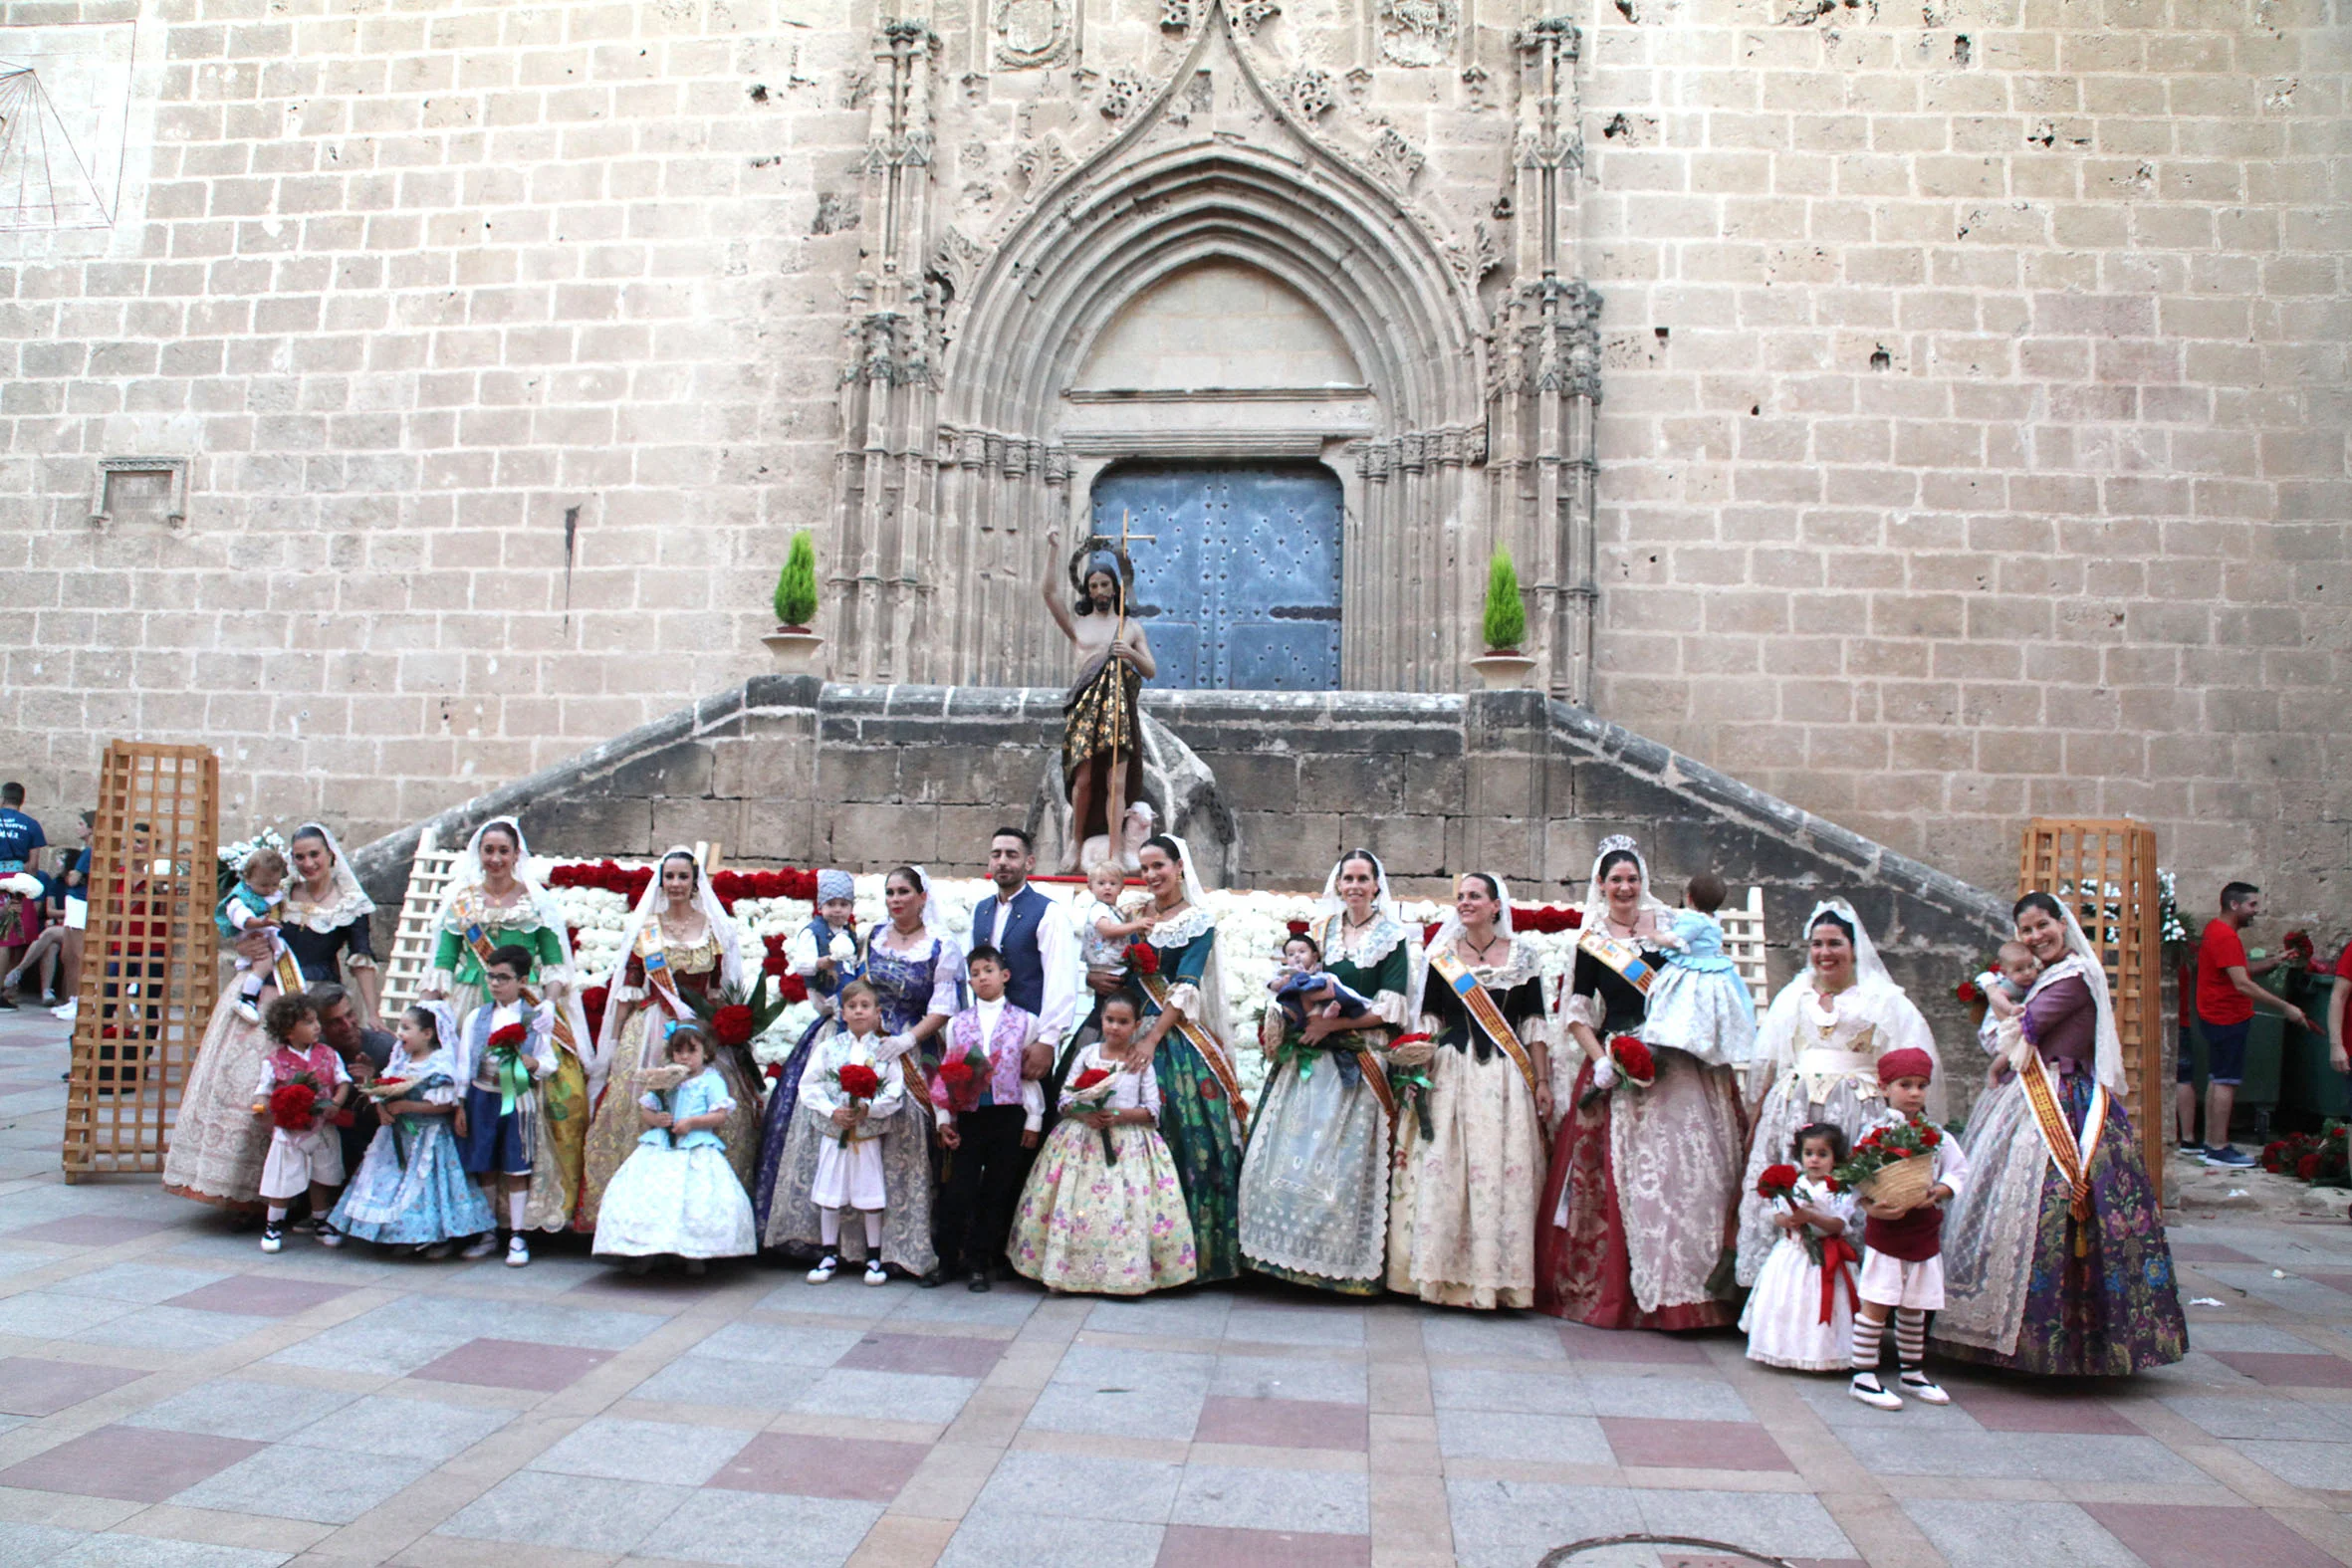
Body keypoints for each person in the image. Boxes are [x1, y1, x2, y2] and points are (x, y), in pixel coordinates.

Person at [1934, 892, 2188, 1376]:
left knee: (2060, 1212)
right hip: (2029, 1096)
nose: (2036, 937)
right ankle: (1996, 1333)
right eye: (2026, 931)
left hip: (2067, 1101)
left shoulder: (2072, 978)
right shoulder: (2044, 976)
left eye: (2042, 925)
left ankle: (2069, 1345)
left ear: (2062, 924)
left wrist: (1992, 991)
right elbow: (2001, 1039)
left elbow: (2021, 1028)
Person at [1535, 836, 1747, 1330]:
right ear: (1601, 887)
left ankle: (1694, 1294)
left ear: (1642, 882)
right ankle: (1629, 1294)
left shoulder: (1674, 929)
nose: (1625, 887)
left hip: (1679, 1063)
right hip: (1621, 1066)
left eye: (1632, 879)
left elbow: (1706, 985)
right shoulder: (1591, 943)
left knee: (1690, 1181)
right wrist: (1603, 1060)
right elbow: (1578, 1014)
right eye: (1616, 881)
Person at [760, 866, 954, 1278]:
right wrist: (829, 1003)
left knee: (901, 1139)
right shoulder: (873, 936)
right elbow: (850, 984)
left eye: (904, 892)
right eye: (890, 892)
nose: (896, 899)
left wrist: (907, 1041)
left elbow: (942, 1006)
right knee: (836, 1132)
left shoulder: (941, 944)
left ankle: (895, 1247)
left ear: (922, 896)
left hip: (907, 1045)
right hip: (858, 1035)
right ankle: (839, 1245)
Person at [1735, 901, 1942, 1286]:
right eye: (1817, 944)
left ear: (1853, 947)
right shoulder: (1793, 996)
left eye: (1834, 944)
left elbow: (1910, 1060)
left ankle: (1855, 1289)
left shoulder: (1881, 999)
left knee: (1849, 1192)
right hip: (1796, 1107)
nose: (1824, 953)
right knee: (1795, 1187)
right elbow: (1769, 1060)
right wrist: (1757, 1112)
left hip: (1856, 1107)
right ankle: (1786, 1288)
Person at [1239, 849, 1416, 1294]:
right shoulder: (1321, 932)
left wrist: (1333, 1023)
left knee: (1339, 1162)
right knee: (1289, 1147)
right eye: (1347, 879)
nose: (1354, 886)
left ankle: (1334, 1266)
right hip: (1310, 1055)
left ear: (1377, 884)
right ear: (1337, 886)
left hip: (1357, 1054)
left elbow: (1391, 1009)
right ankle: (1275, 1254)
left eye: (1362, 878)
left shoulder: (1393, 938)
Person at [418, 817, 592, 1233]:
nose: (495, 858)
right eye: (488, 850)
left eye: (503, 851)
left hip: (527, 1005)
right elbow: (444, 961)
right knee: (470, 1099)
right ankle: (473, 1213)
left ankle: (527, 1211)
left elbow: (553, 962)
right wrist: (431, 1013)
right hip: (472, 1005)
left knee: (552, 1103)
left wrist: (548, 1004)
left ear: (517, 855)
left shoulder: (535, 902)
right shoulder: (461, 902)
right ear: (479, 855)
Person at [1388, 872, 1552, 1310]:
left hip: (1505, 1080)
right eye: (1460, 897)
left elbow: (1534, 1026)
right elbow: (1431, 1020)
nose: (1465, 903)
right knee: (1448, 1167)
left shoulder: (1523, 957)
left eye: (1474, 896)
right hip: (1452, 1074)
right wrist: (1415, 1058)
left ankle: (1499, 1281)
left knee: (1500, 1172)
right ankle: (1442, 1277)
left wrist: (1543, 1081)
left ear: (1496, 906)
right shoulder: (1443, 957)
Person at [578, 848, 759, 1229]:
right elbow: (628, 989)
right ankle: (635, 1217)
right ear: (661, 881)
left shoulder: (713, 929)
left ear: (695, 883)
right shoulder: (647, 929)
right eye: (669, 876)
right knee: (641, 1109)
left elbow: (718, 991)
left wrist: (727, 1031)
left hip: (697, 1031)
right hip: (650, 1028)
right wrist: (611, 1048)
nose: (675, 884)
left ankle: (702, 1217)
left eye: (682, 877)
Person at [1010, 993, 1197, 1295]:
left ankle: (1125, 1273)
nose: (1115, 1028)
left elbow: (1152, 1110)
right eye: (1110, 1020)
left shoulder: (1140, 1063)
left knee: (1123, 1208)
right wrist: (1084, 1113)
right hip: (1081, 1139)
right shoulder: (1087, 1055)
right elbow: (1066, 1098)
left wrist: (1120, 1115)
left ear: (1136, 1025)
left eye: (1123, 1022)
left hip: (1129, 1144)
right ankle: (1067, 1269)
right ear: (1102, 1020)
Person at [1126, 834, 1245, 1282]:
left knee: (1184, 1132)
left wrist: (1152, 1038)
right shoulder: (1135, 917)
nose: (1152, 875)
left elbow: (1186, 985)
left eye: (1159, 866)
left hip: (1171, 1037)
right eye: (1145, 869)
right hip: (1128, 1023)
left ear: (1179, 867)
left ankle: (1185, 1254)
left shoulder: (1198, 922)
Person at [1847, 1049, 1969, 1410]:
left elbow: (1957, 1169)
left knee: (1916, 1305)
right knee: (1878, 1301)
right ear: (1885, 1087)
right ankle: (1863, 1374)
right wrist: (1870, 1206)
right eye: (1905, 1085)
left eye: (1921, 1086)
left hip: (1923, 1229)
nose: (1914, 1093)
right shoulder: (1875, 1134)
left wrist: (1940, 1190)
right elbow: (1857, 1178)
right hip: (1888, 1231)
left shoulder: (1936, 1135)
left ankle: (1912, 1371)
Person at [593, 1020, 759, 1274]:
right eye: (679, 1051)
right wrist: (656, 1119)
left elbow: (720, 1115)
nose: (685, 1057)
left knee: (695, 1199)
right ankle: (645, 1251)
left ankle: (695, 1254)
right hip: (661, 1147)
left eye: (691, 1051)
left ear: (706, 1052)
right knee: (651, 1197)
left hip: (695, 1146)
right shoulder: (664, 1077)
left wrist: (692, 1123)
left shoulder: (711, 1080)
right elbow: (647, 1109)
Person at [330, 1004, 495, 1256]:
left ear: (428, 1033)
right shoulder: (401, 1059)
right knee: (391, 1184)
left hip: (429, 1136)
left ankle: (438, 1237)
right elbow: (384, 1087)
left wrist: (407, 1105)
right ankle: (397, 1235)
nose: (400, 1034)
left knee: (429, 1190)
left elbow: (445, 1104)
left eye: (407, 1028)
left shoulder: (440, 1063)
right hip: (397, 1137)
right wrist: (382, 1105)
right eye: (400, 1027)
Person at [928, 946, 1046, 1291]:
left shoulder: (1026, 1021)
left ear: (1004, 975)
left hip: (1008, 1115)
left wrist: (1033, 1120)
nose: (982, 978)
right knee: (958, 1189)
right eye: (975, 973)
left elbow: (1029, 1077)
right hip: (970, 1116)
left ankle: (980, 1262)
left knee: (996, 1191)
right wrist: (943, 1118)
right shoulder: (958, 1024)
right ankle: (947, 1261)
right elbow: (948, 1074)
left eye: (988, 970)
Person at [1044, 527, 1157, 873]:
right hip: (1086, 709)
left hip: (1119, 710)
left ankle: (1117, 848)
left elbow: (1150, 669)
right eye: (1093, 586)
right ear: (1087, 590)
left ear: (1114, 588)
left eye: (1105, 585)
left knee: (1116, 782)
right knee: (1084, 779)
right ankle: (1076, 843)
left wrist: (1130, 655)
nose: (1099, 591)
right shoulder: (1079, 626)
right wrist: (1053, 549)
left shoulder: (1131, 627)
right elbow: (1048, 593)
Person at [2181, 881, 2311, 1168]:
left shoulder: (2217, 931)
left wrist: (2275, 960)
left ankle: (2211, 1144)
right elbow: (2242, 984)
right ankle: (2218, 1146)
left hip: (2215, 1015)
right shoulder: (2225, 936)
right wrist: (2286, 1007)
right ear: (2234, 905)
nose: (2257, 910)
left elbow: (2238, 970)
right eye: (2252, 904)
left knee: (2219, 1079)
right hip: (2226, 1017)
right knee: (2227, 1081)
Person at [453, 945, 559, 1267]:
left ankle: (517, 1234)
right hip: (481, 1094)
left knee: (515, 1164)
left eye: (504, 977)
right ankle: (487, 1231)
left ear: (523, 980)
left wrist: (534, 1063)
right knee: (484, 1161)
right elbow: (464, 1060)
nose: (495, 984)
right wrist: (460, 1103)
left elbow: (549, 1060)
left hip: (516, 1093)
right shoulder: (477, 1016)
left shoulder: (534, 1018)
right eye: (491, 976)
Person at [798, 981, 906, 1286]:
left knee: (870, 1193)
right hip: (835, 1134)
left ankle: (874, 1256)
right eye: (852, 1007)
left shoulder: (884, 1050)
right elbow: (809, 1085)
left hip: (867, 1135)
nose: (859, 1012)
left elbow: (895, 1090)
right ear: (842, 1012)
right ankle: (829, 1252)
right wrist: (832, 1110)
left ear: (877, 1012)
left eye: (865, 1006)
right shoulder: (829, 1048)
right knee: (830, 1192)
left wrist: (868, 1109)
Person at [1741, 1123, 1860, 1374]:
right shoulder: (1795, 1185)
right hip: (1794, 1253)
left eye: (1822, 1154)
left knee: (1819, 1303)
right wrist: (1786, 1220)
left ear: (1834, 1157)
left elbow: (1838, 1224)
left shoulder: (1839, 1189)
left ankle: (1821, 1352)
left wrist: (1813, 1218)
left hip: (1825, 1256)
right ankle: (1784, 1348)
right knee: (1789, 1300)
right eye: (1809, 1154)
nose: (1814, 1160)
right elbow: (1777, 1214)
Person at [763, 868, 865, 1150]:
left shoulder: (850, 933)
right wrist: (825, 962)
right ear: (821, 907)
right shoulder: (813, 932)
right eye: (831, 904)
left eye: (843, 904)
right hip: (830, 1008)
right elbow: (802, 964)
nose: (837, 910)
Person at [969, 826, 1078, 1073]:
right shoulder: (980, 910)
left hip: (1029, 1038)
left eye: (1011, 855)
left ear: (1029, 862)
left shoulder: (1049, 913)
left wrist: (1047, 1042)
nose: (1002, 862)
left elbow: (1060, 980)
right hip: (983, 1035)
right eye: (996, 855)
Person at [251, 994, 351, 1255]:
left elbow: (343, 1081)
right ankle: (273, 1224)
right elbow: (264, 1088)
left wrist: (337, 1103)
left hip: (322, 1126)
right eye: (308, 1022)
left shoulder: (328, 1055)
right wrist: (262, 1107)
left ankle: (320, 1220)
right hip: (290, 1128)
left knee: (322, 1175)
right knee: (283, 1176)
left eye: (316, 1020)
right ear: (288, 1030)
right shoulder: (275, 1061)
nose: (317, 1026)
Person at [1639, 872, 1758, 1067]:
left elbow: (1675, 940)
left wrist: (1655, 936)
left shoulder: (1694, 920)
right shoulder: (1714, 919)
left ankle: (1681, 1040)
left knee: (1684, 1005)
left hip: (1694, 970)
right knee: (1711, 1010)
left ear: (1689, 898)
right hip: (1716, 972)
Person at [279, 823, 382, 1023]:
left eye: (314, 854)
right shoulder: (281, 893)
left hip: (320, 995)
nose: (308, 863)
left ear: (330, 854)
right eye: (300, 857)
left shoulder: (351, 902)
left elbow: (361, 958)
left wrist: (373, 1014)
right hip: (274, 986)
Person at [315, 983, 398, 1182]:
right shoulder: (315, 1052)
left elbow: (396, 1116)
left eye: (349, 1014)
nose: (347, 1025)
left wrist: (373, 1083)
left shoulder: (385, 1048)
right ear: (320, 1027)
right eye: (335, 1022)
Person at [215, 846, 291, 1023]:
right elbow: (243, 919)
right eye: (264, 885)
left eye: (274, 884)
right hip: (252, 938)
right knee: (263, 964)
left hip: (270, 938)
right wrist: (261, 923)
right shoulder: (239, 898)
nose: (270, 889)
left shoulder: (273, 894)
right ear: (248, 878)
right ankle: (247, 998)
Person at [1265, 933, 1377, 1032]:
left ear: (1314, 957)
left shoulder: (1318, 972)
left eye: (1302, 952)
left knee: (1321, 982)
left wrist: (1311, 974)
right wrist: (1279, 983)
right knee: (1299, 983)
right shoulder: (1285, 971)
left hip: (1316, 1001)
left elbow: (1333, 982)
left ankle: (1329, 1011)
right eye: (1291, 954)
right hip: (1296, 1005)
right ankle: (1323, 1000)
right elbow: (1270, 982)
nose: (1297, 956)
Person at [0, 782, 46, 1004]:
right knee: (12, 938)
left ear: (2, 798)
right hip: (17, 881)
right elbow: (33, 866)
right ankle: (6, 990)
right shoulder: (31, 825)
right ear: (22, 800)